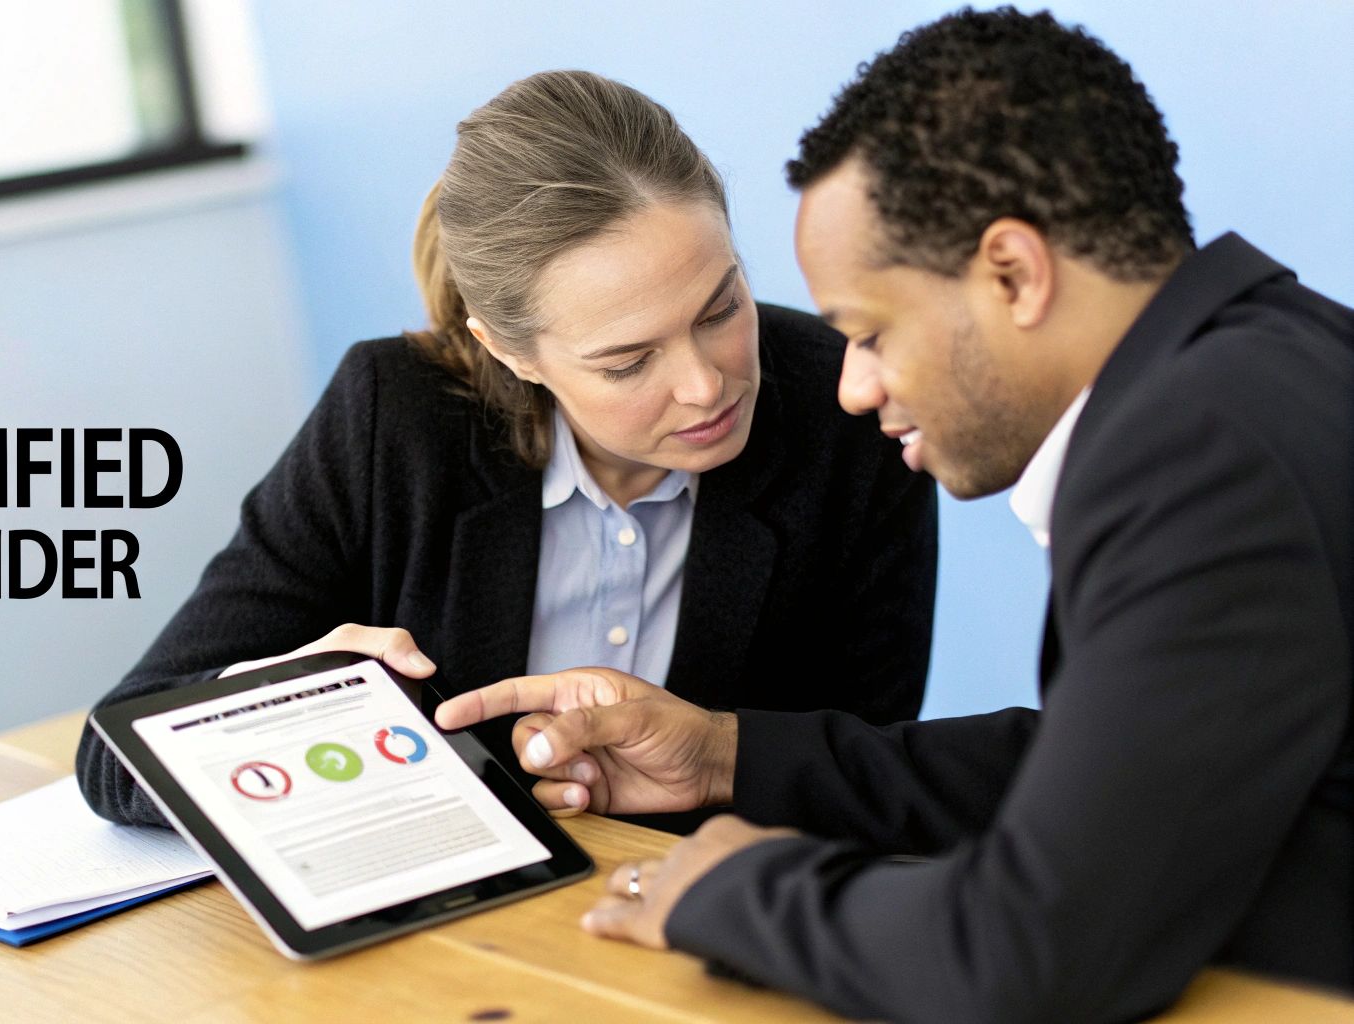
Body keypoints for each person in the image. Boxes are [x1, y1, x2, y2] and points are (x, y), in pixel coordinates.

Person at [436, 10, 1354, 1022]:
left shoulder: (1198, 461)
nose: (852, 387)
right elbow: (1112, 767)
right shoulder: (1279, 365)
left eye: (867, 333)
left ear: (1012, 272)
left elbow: (1031, 952)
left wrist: (728, 892)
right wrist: (725, 754)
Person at [77, 70, 937, 829]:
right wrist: (289, 709)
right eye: (627, 360)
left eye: (720, 308)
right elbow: (115, 758)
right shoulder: (393, 418)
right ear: (509, 351)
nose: (707, 385)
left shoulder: (849, 406)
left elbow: (863, 771)